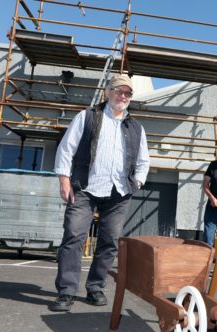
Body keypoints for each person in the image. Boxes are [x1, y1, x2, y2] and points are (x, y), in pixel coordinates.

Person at [49, 75, 150, 312]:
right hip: (85, 188)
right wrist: (64, 179)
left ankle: (95, 287)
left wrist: (138, 181)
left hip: (119, 192)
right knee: (74, 235)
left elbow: (144, 160)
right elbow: (66, 148)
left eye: (128, 93)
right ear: (107, 91)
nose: (123, 96)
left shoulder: (136, 127)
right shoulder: (87, 117)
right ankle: (66, 291)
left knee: (110, 241)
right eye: (119, 91)